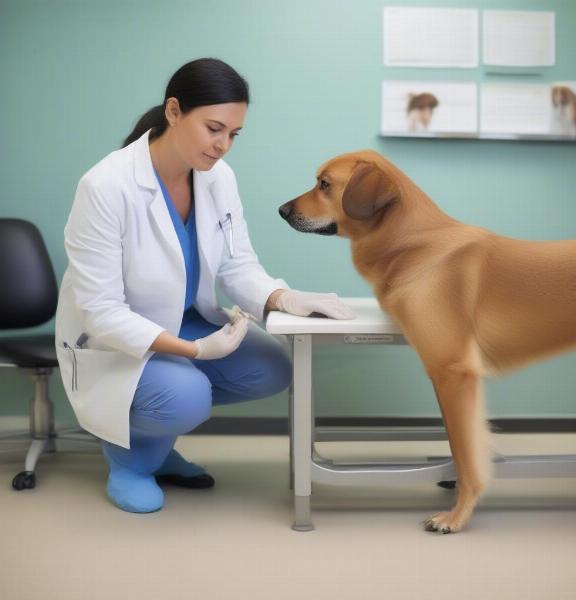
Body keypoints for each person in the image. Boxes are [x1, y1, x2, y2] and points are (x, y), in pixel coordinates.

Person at [54, 58, 355, 514]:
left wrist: (282, 297)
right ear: (174, 112)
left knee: (271, 367)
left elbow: (237, 264)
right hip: (118, 337)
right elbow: (100, 312)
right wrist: (193, 353)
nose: (223, 146)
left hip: (186, 319)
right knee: (186, 394)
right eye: (214, 128)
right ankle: (131, 462)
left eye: (234, 134)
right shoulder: (105, 186)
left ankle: (157, 441)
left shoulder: (217, 178)